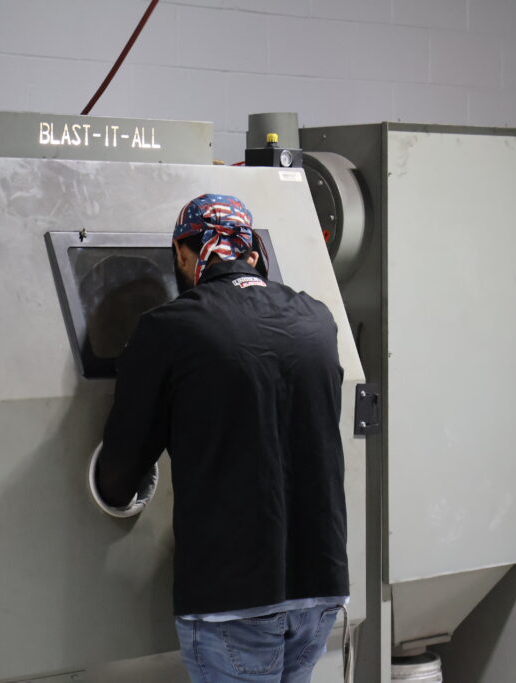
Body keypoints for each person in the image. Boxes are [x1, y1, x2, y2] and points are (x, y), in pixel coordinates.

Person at [94, 194, 349, 683]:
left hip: (233, 598)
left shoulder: (169, 327)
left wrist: (117, 491)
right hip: (320, 588)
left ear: (182, 252)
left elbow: (122, 465)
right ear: (251, 251)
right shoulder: (317, 318)